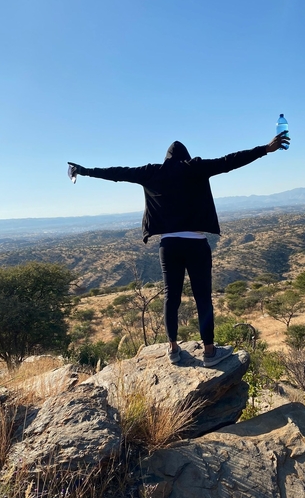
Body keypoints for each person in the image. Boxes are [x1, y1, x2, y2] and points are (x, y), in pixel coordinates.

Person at [68, 131, 290, 367]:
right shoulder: (195, 168)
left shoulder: (152, 172)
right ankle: (209, 352)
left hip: (169, 245)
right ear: (186, 156)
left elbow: (117, 173)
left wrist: (84, 170)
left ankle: (173, 348)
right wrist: (265, 149)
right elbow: (230, 161)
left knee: (170, 296)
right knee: (203, 297)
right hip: (196, 243)